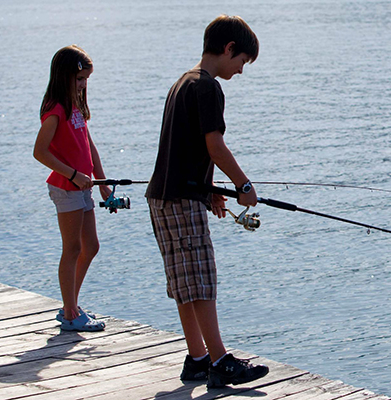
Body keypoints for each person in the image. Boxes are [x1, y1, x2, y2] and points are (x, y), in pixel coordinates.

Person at [145, 15, 270, 388]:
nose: (240, 71)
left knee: (184, 282)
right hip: (182, 201)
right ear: (229, 49)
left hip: (162, 197)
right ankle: (220, 362)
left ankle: (197, 358)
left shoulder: (183, 83)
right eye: (242, 62)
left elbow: (188, 148)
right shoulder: (209, 89)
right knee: (201, 281)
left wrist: (211, 187)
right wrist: (242, 184)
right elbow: (214, 145)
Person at [33, 45, 110, 332]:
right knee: (73, 248)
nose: (83, 85)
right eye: (79, 79)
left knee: (91, 246)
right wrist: (74, 174)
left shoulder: (77, 105)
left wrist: (101, 181)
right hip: (66, 188)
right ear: (64, 76)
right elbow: (40, 152)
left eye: (86, 80)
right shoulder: (55, 109)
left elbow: (88, 145)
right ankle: (69, 312)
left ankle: (71, 305)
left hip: (84, 188)